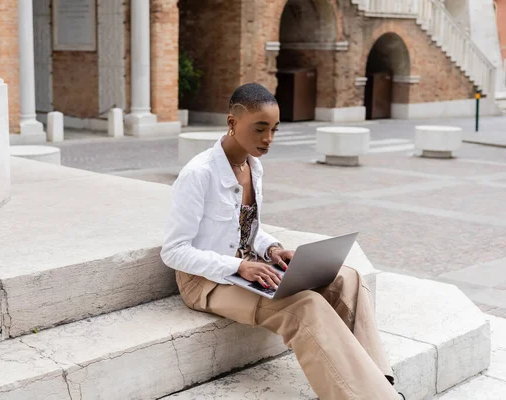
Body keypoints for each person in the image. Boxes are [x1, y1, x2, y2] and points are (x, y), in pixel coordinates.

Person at [161, 83, 404, 400]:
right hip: (206, 282)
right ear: (232, 123)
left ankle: (379, 383)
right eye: (260, 129)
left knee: (348, 278)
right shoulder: (199, 174)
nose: (268, 139)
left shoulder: (253, 166)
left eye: (274, 129)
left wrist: (272, 249)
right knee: (307, 305)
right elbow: (174, 251)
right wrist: (239, 266)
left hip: (249, 270)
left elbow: (247, 227)